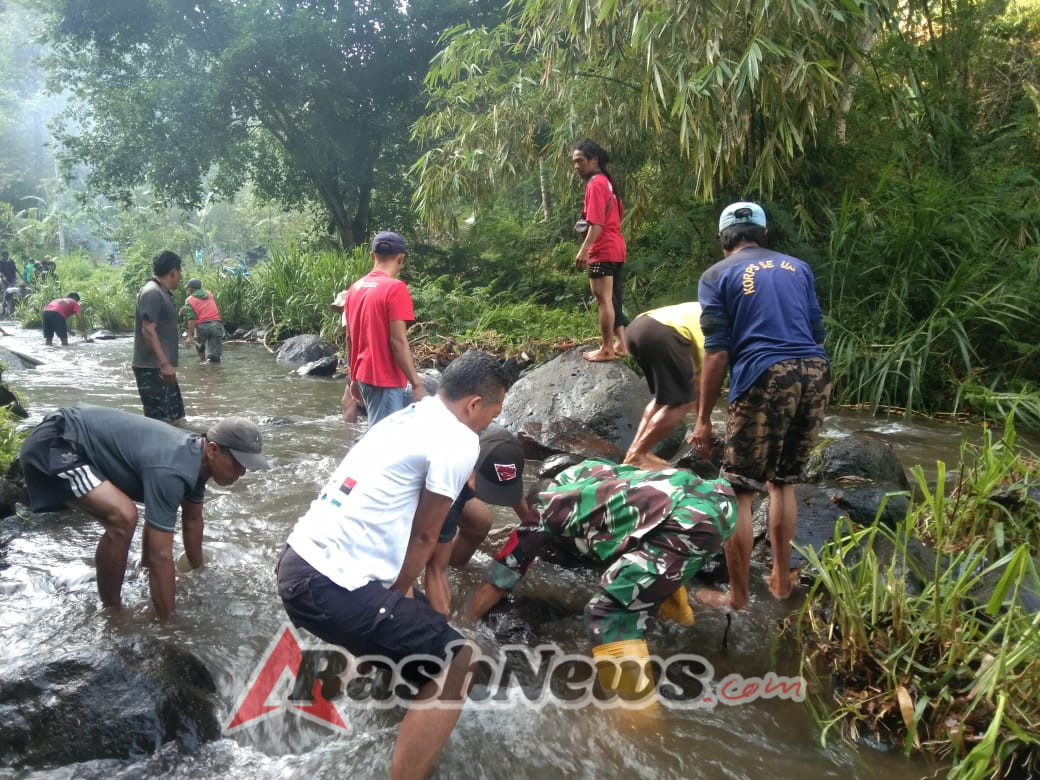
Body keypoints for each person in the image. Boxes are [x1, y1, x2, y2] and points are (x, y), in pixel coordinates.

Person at [277, 350, 513, 780]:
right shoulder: (459, 439)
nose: (490, 422)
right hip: (329, 583)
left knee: (408, 621)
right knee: (459, 660)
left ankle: (336, 695)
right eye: (494, 411)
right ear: (475, 404)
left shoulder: (407, 415)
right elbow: (426, 536)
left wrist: (403, 594)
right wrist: (398, 591)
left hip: (298, 562)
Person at [467, 459, 735, 698]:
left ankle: (635, 712)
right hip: (718, 499)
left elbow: (500, 576)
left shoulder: (546, 509)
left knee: (607, 614)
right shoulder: (588, 469)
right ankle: (681, 620)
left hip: (688, 524)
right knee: (645, 560)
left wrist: (466, 624)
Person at [691, 201, 831, 610]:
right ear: (762, 234)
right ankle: (781, 581)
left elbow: (717, 352)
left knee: (740, 491)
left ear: (723, 239)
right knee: (783, 481)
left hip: (765, 374)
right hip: (815, 371)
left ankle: (737, 596)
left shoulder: (716, 274)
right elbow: (817, 332)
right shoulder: (797, 267)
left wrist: (702, 419)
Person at [18, 403, 269, 619]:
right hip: (56, 444)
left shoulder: (195, 461)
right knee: (123, 517)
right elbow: (162, 556)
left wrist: (198, 573)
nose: (242, 473)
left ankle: (132, 584)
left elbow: (192, 521)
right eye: (238, 464)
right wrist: (170, 625)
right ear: (213, 450)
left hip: (76, 439)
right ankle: (112, 613)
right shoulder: (172, 469)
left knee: (137, 524)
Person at [424, 425, 528, 615]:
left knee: (479, 522)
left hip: (459, 474)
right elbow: (435, 571)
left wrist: (535, 528)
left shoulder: (500, 446)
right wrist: (447, 629)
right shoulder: (450, 477)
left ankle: (454, 564)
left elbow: (515, 494)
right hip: (412, 489)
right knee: (427, 555)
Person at [341, 230, 426, 426]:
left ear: (372, 256)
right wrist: (417, 384)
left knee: (380, 436)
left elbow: (349, 339)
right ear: (401, 258)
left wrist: (353, 377)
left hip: (363, 376)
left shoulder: (354, 288)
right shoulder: (395, 288)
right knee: (384, 445)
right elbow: (397, 341)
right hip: (385, 379)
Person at [623, 302, 705, 470]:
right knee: (683, 401)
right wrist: (702, 423)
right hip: (663, 334)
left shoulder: (708, 305)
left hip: (637, 328)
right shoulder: (724, 325)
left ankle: (637, 452)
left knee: (663, 400)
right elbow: (701, 378)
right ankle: (637, 454)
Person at [572, 139, 629, 363]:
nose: (577, 166)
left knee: (603, 300)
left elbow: (596, 224)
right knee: (613, 299)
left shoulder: (595, 184)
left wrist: (584, 249)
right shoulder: (608, 183)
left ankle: (607, 348)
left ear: (594, 160)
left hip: (603, 248)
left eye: (580, 161)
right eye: (574, 162)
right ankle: (622, 344)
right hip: (616, 247)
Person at [133, 250, 185, 424]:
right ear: (173, 271)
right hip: (152, 369)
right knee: (159, 423)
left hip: (161, 368)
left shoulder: (162, 292)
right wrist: (164, 364)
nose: (180, 277)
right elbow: (148, 329)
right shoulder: (152, 292)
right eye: (180, 272)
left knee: (175, 418)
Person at [183, 278, 224, 363]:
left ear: (192, 288)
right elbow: (203, 304)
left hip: (201, 327)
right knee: (215, 357)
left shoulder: (189, 300)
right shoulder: (209, 293)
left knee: (200, 347)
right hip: (216, 325)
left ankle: (203, 364)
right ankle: (216, 372)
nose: (187, 289)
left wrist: (189, 336)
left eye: (188, 287)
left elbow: (191, 319)